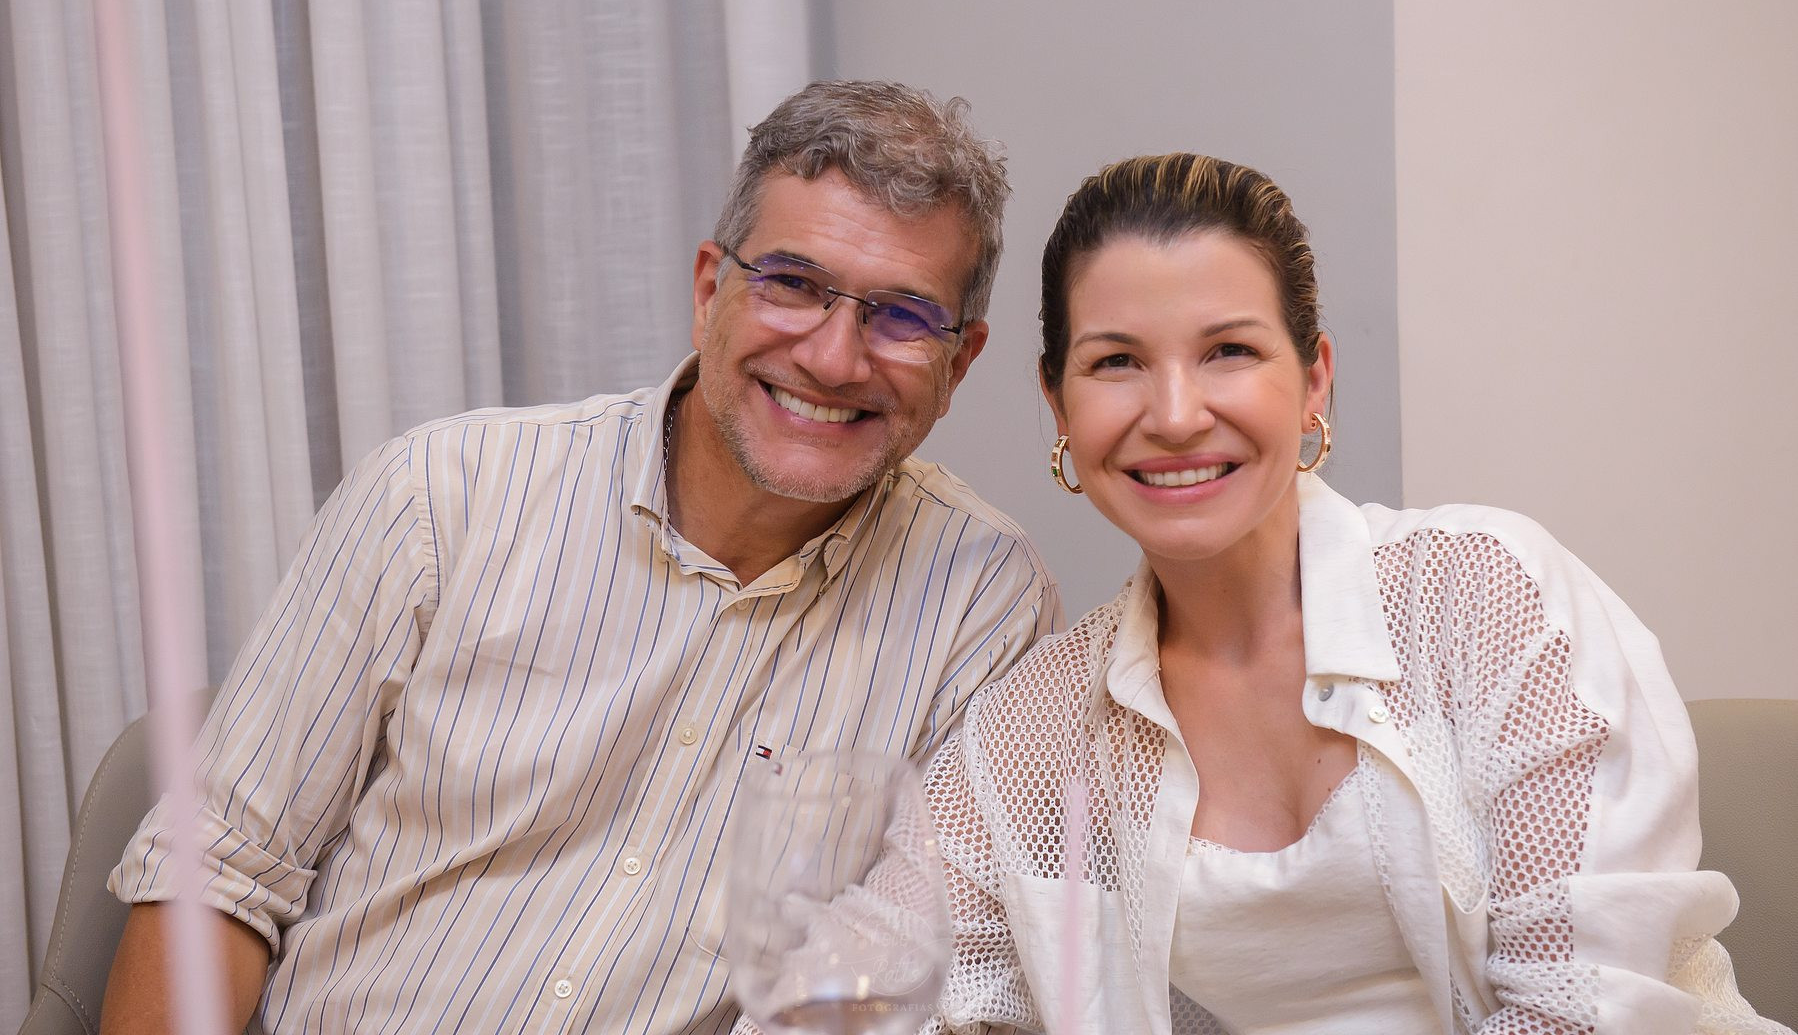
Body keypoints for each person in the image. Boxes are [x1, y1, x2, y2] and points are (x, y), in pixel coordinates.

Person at [101, 80, 1061, 1035]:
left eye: (902, 316)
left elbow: (926, 988)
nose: (834, 359)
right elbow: (219, 871)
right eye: (793, 285)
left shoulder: (982, 602)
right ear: (709, 291)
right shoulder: (441, 496)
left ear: (958, 363)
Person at [921, 154, 1787, 1034]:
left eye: (1229, 351)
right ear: (1059, 405)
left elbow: (1584, 1010)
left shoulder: (1487, 593)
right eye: (1117, 361)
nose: (1175, 415)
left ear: (1314, 382)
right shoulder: (1037, 724)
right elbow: (920, 991)